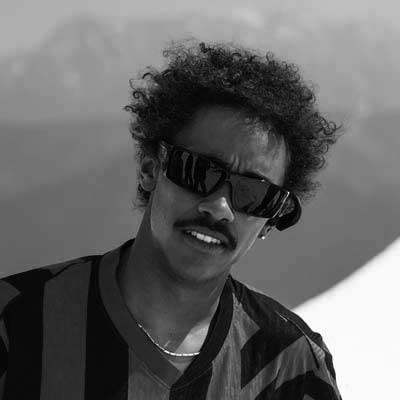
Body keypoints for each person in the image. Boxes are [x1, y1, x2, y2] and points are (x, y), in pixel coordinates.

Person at [0, 40, 342, 399]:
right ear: (151, 169)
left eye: (254, 195)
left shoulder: (291, 365)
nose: (219, 207)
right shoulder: (14, 322)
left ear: (270, 221)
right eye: (198, 171)